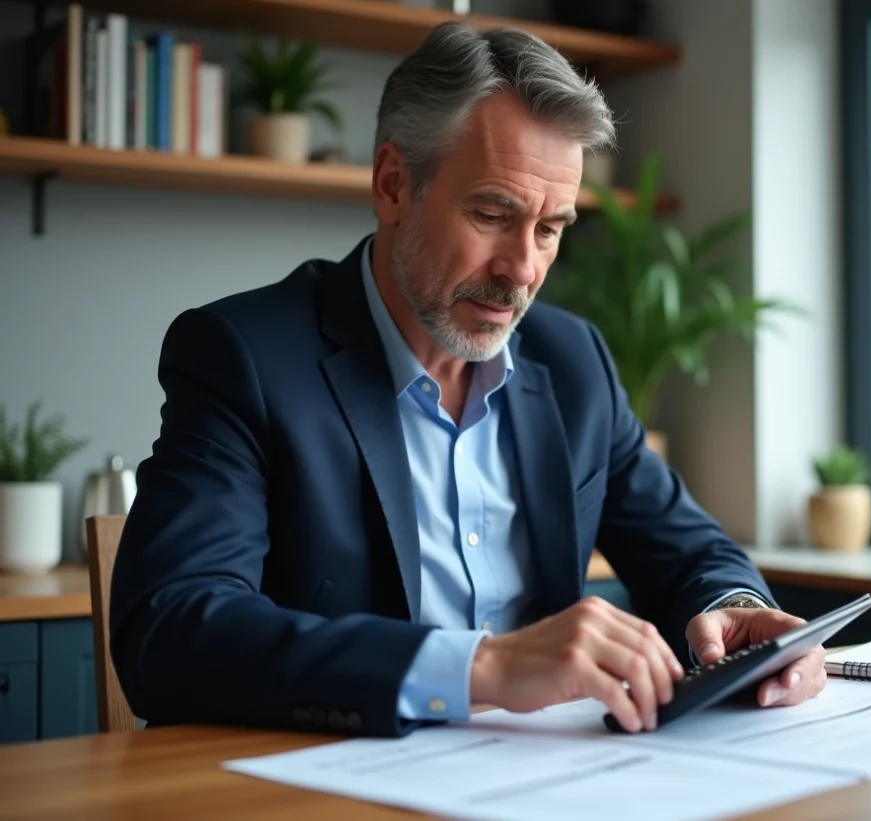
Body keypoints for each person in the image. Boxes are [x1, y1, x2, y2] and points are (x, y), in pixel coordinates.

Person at [109, 21, 826, 738]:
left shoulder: (574, 362)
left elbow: (690, 549)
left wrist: (736, 612)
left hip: (549, 773)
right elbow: (171, 630)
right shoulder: (246, 357)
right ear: (393, 185)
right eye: (492, 214)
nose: (523, 269)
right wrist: (484, 666)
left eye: (550, 228)